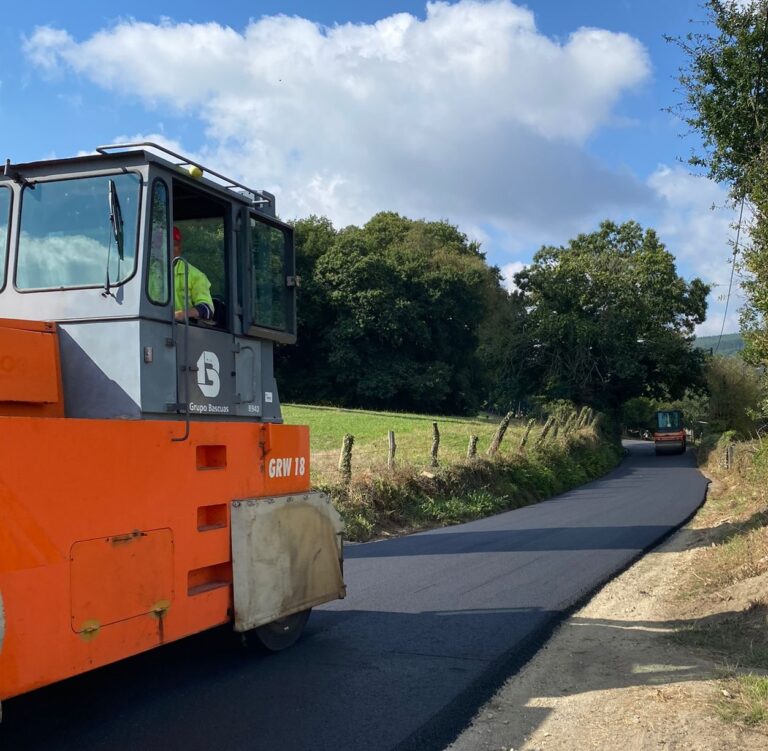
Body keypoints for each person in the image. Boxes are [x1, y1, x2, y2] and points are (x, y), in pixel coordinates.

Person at [172, 226, 214, 321]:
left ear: (180, 247)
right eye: (164, 244)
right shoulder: (148, 273)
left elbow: (207, 309)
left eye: (174, 244)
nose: (168, 248)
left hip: (184, 329)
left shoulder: (196, 276)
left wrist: (181, 314)